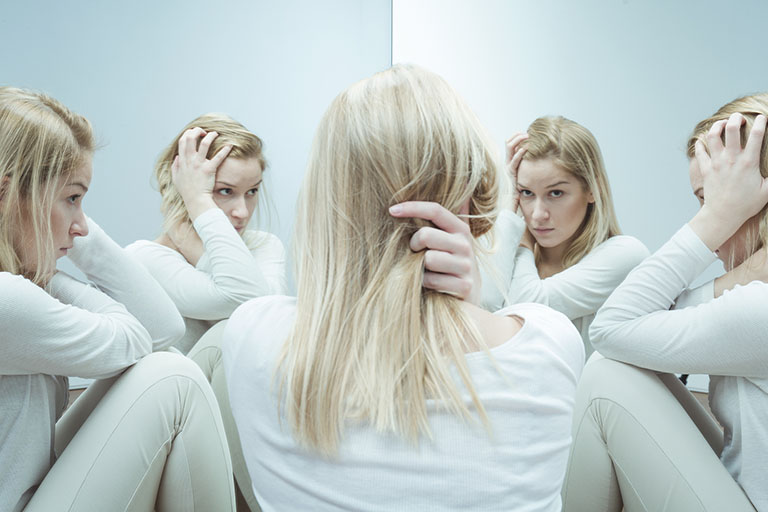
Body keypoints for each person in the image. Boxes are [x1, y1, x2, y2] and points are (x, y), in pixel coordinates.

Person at [223, 64, 584, 511]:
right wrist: (466, 304)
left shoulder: (254, 335)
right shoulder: (549, 344)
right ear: (468, 192)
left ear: (326, 200)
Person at [0, 87, 235, 510]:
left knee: (191, 354)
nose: (82, 225)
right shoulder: (6, 298)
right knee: (173, 377)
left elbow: (163, 328)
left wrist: (54, 233)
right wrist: (50, 257)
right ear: (6, 195)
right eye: (72, 199)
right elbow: (137, 336)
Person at [561, 96, 768, 511]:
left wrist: (714, 219)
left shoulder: (758, 310)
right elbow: (653, 321)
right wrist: (746, 271)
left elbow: (611, 328)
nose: (708, 214)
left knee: (605, 376)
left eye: (711, 198)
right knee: (623, 366)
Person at [394, 117, 648, 355]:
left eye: (556, 193)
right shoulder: (508, 250)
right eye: (526, 193)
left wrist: (522, 242)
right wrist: (508, 199)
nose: (537, 214)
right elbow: (484, 304)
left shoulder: (625, 254)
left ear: (593, 189)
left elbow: (526, 307)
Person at [126, 113, 287, 355]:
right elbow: (249, 304)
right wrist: (198, 199)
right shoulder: (144, 259)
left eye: (252, 191)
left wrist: (193, 247)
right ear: (184, 185)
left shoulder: (264, 245)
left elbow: (270, 325)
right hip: (189, 381)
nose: (242, 212)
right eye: (225, 191)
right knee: (224, 334)